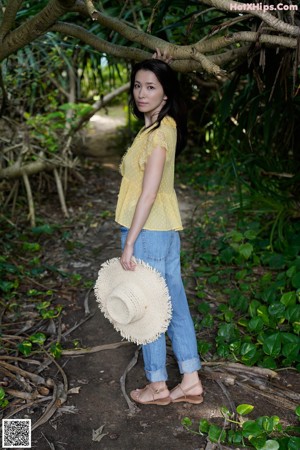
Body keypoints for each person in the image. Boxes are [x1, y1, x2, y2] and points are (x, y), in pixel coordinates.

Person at [115, 53, 203, 405]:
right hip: (163, 230)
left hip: (148, 231)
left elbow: (148, 192)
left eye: (151, 87)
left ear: (165, 94)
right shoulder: (160, 127)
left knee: (150, 308)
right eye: (138, 85)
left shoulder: (158, 136)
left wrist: (129, 243)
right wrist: (157, 63)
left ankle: (156, 384)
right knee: (174, 304)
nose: (141, 92)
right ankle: (191, 379)